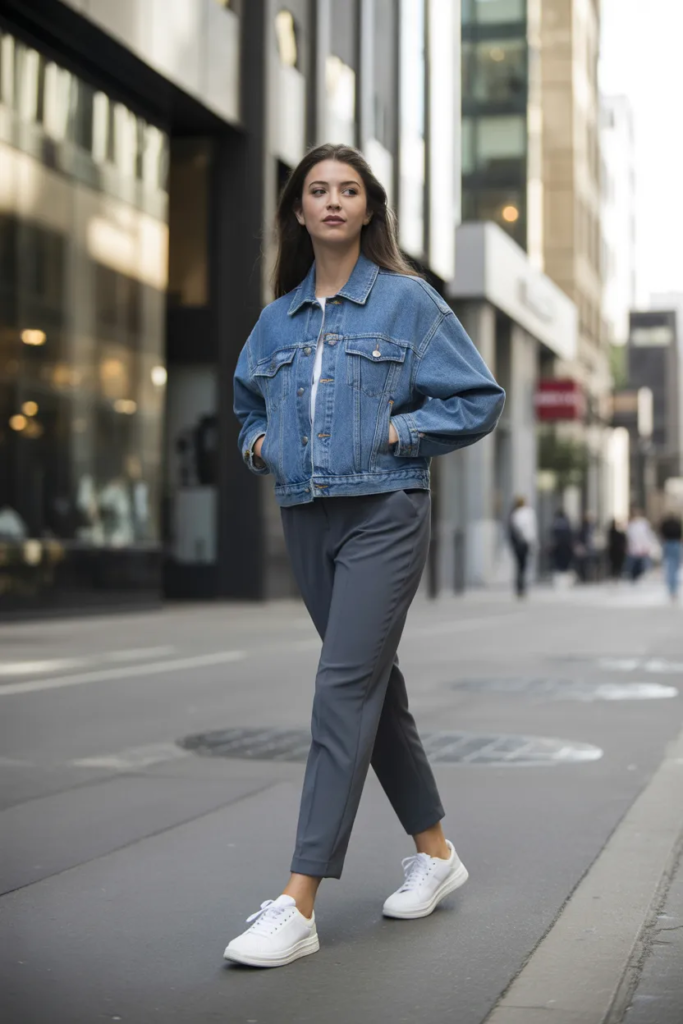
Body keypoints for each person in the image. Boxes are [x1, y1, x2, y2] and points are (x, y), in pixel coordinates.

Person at [230, 144, 505, 968]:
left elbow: (478, 397)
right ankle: (436, 853)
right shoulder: (276, 320)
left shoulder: (406, 302)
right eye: (317, 189)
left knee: (341, 687)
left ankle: (298, 900)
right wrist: (260, 446)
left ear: (368, 208)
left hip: (385, 510)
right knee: (373, 690)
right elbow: (247, 405)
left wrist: (401, 431)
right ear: (298, 210)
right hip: (305, 514)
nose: (332, 201)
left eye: (348, 190)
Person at [508, 496, 537, 597]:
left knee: (519, 566)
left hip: (518, 543)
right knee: (523, 565)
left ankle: (520, 586)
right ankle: (522, 586)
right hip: (525, 542)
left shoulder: (514, 514)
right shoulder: (528, 513)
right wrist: (533, 542)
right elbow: (530, 529)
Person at [660, 509, 682, 601]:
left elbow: (661, 533)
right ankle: (673, 590)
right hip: (675, 544)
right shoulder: (677, 523)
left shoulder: (666, 524)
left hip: (669, 544)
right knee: (674, 567)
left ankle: (672, 589)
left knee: (670, 567)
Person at [626, 508, 654, 582]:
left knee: (641, 563)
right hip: (634, 548)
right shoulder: (631, 525)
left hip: (641, 548)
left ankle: (637, 574)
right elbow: (630, 537)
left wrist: (647, 545)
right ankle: (633, 575)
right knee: (634, 563)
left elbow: (647, 536)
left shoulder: (643, 524)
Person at [550, 508, 574, 586]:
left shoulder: (556, 523)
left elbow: (553, 534)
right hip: (565, 546)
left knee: (559, 563)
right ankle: (565, 580)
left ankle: (559, 579)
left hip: (559, 546)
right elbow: (570, 534)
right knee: (565, 563)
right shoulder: (566, 523)